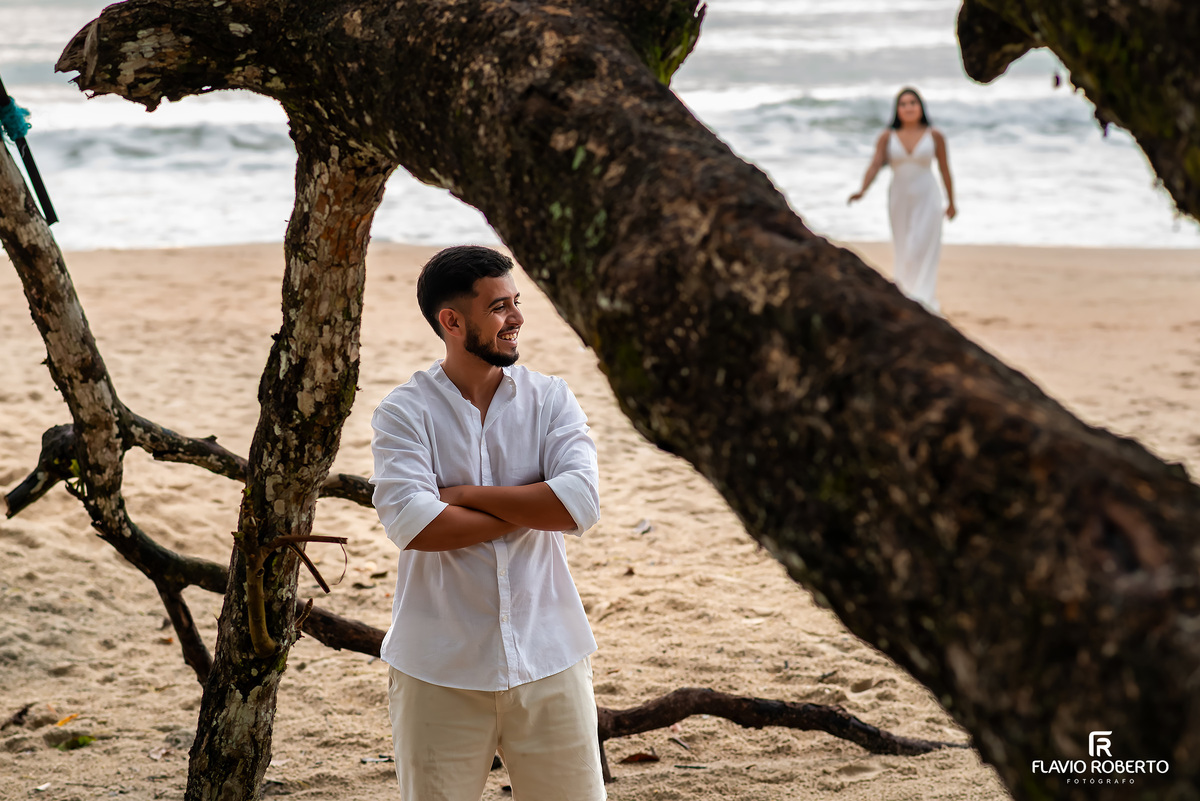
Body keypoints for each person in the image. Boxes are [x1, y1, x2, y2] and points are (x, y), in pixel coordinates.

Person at [369, 245, 606, 801]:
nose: (518, 319)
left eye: (516, 303)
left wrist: (467, 496)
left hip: (550, 655)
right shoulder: (404, 412)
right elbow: (417, 526)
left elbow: (579, 506)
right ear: (452, 321)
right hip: (438, 668)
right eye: (500, 307)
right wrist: (531, 506)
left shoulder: (551, 400)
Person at [848, 87, 956, 313]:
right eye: (903, 104)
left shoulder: (934, 135)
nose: (908, 108)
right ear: (897, 110)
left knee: (921, 247)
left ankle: (924, 298)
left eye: (913, 103)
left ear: (921, 108)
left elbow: (945, 170)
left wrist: (951, 202)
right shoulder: (887, 137)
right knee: (904, 248)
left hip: (928, 197)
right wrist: (862, 190)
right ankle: (906, 296)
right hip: (899, 198)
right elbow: (875, 164)